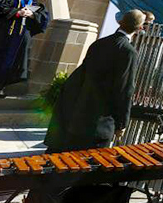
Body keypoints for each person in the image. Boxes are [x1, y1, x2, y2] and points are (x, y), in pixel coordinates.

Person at [44, 9, 144, 151]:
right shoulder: (129, 51)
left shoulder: (99, 43)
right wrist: (122, 123)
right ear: (140, 28)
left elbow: (82, 74)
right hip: (100, 121)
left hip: (80, 110)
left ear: (120, 22)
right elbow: (124, 89)